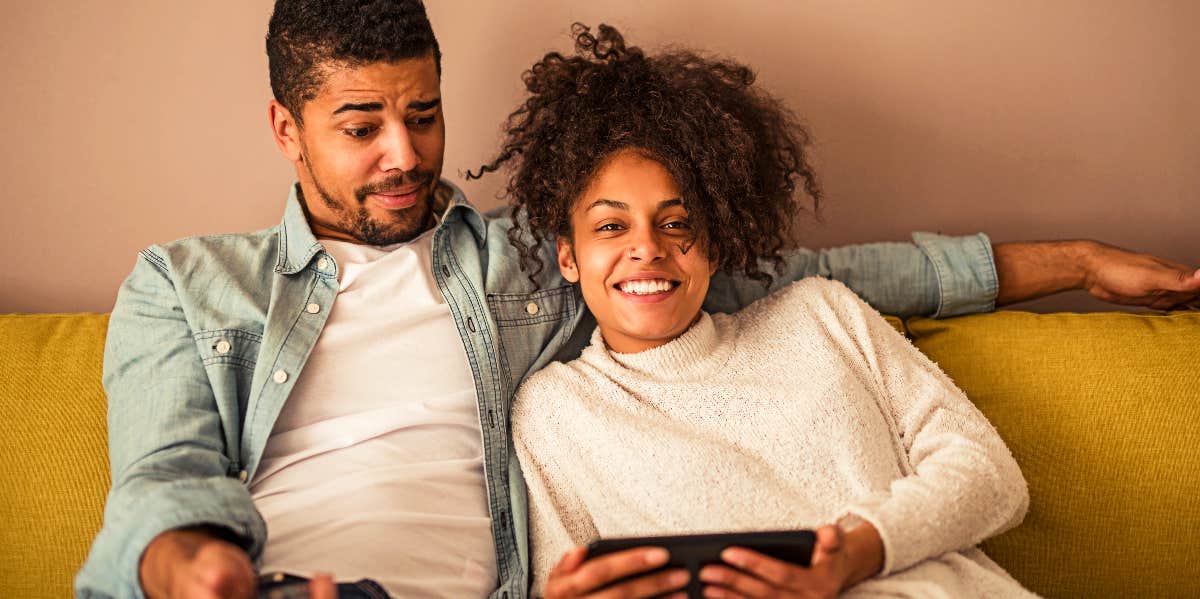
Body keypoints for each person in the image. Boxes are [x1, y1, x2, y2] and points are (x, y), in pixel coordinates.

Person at [74, 2, 1200, 598]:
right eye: (361, 124)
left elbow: (789, 280)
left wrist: (1075, 262)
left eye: (422, 113)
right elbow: (164, 472)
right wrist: (193, 566)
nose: (404, 152)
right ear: (287, 128)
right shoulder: (186, 284)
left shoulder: (523, 258)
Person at [495, 25, 1037, 598]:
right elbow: (563, 580)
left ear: (717, 243)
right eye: (610, 226)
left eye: (676, 222)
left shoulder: (823, 315)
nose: (647, 247)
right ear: (568, 257)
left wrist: (851, 556)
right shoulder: (554, 411)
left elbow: (991, 477)